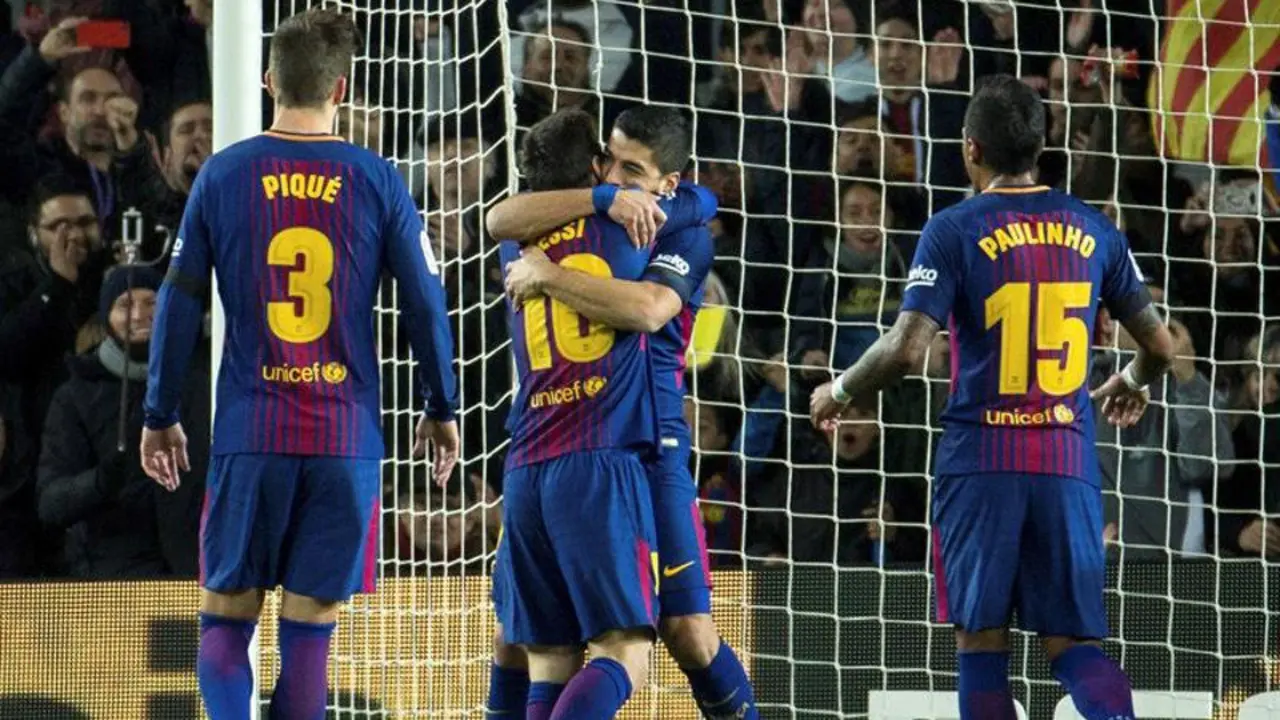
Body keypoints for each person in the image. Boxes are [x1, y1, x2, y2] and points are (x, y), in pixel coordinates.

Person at [809, 74, 1176, 720]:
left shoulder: (953, 229)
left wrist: (838, 389)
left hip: (981, 463)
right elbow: (1162, 347)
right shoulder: (1095, 230)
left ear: (970, 149)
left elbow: (904, 349)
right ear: (1043, 144)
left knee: (981, 645)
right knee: (1071, 645)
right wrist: (1132, 380)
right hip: (1066, 464)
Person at [139, 9, 460, 720]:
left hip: (253, 433)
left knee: (226, 626)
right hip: (345, 443)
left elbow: (178, 301)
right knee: (309, 642)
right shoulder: (378, 179)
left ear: (266, 80)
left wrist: (159, 414)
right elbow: (426, 306)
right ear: (340, 88)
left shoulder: (223, 175)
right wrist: (442, 408)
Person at [490, 105, 757, 719]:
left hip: (648, 444)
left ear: (670, 181)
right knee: (531, 639)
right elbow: (498, 215)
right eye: (607, 160)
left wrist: (548, 274)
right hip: (600, 446)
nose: (615, 175)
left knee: (685, 628)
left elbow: (652, 304)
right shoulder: (600, 209)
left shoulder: (674, 224)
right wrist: (607, 194)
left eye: (631, 168)